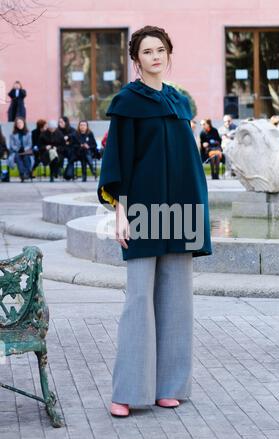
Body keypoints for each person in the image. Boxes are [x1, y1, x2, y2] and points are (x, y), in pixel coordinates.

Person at [97, 25, 212, 417]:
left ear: (168, 54)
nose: (155, 56)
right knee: (138, 301)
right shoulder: (127, 102)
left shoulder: (180, 103)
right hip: (143, 211)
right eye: (147, 51)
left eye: (160, 50)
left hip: (181, 212)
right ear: (136, 60)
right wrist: (120, 211)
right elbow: (117, 162)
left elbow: (189, 163)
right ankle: (128, 391)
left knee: (178, 302)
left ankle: (170, 386)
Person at [9, 117, 32, 182]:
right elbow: (12, 145)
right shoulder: (12, 135)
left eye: (21, 123)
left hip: (26, 151)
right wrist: (18, 149)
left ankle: (26, 173)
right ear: (16, 125)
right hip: (16, 152)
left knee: (26, 157)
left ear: (24, 123)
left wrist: (25, 149)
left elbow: (30, 144)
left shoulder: (28, 134)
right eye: (18, 123)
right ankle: (22, 174)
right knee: (17, 157)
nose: (19, 124)